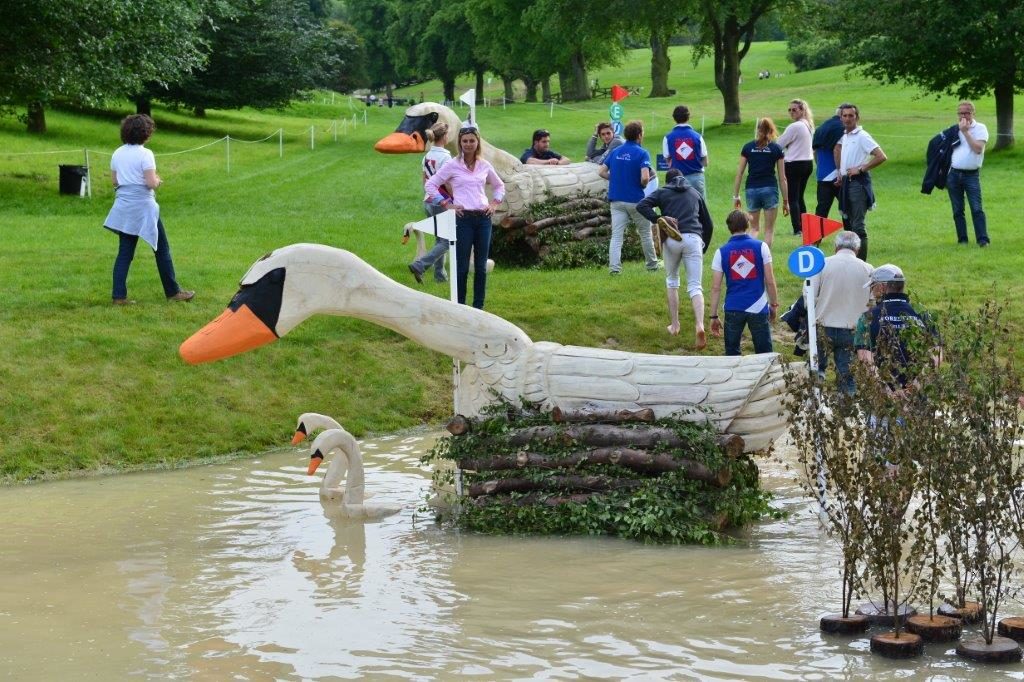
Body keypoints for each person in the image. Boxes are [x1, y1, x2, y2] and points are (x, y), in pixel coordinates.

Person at [102, 114, 194, 305]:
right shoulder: (146, 154)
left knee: (125, 253)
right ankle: (173, 292)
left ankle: (119, 296)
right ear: (145, 133)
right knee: (162, 250)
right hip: (144, 208)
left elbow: (114, 181)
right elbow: (151, 183)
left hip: (124, 207)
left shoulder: (117, 153)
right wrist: (158, 181)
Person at [424, 126, 505, 309]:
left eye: (472, 141)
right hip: (463, 219)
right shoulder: (452, 165)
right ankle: (461, 307)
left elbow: (499, 186)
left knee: (481, 267)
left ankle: (478, 307)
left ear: (477, 143)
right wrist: (446, 203)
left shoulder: (484, 165)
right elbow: (431, 184)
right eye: (465, 141)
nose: (468, 144)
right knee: (461, 267)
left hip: (483, 219)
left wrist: (494, 204)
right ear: (460, 143)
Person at [636, 168, 714, 348]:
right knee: (695, 286)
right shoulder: (694, 193)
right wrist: (704, 247)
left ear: (668, 180)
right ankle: (700, 325)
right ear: (683, 178)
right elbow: (708, 224)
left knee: (672, 281)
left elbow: (641, 205)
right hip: (694, 239)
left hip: (672, 239)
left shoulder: (663, 192)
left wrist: (658, 218)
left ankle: (675, 325)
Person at [855, 264, 941, 392]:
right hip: (918, 395)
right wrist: (915, 387)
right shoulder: (923, 314)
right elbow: (936, 356)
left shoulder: (868, 317)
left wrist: (888, 392)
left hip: (882, 397)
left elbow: (866, 359)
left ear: (882, 287)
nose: (871, 292)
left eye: (873, 287)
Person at [708, 210, 779, 355]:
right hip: (758, 306)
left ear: (729, 227)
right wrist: (773, 304)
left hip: (733, 308)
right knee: (765, 354)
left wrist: (713, 316)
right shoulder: (761, 247)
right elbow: (770, 281)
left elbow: (716, 288)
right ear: (748, 225)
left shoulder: (721, 252)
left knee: (732, 354)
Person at [811, 231, 873, 396]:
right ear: (857, 249)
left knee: (817, 372)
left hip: (823, 327)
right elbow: (872, 303)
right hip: (852, 330)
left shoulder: (821, 265)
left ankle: (814, 405)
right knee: (846, 376)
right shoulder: (868, 269)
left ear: (835, 246)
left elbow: (808, 296)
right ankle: (846, 411)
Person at [598, 120, 659, 274]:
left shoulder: (616, 151)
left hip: (616, 200)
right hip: (635, 201)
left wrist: (617, 178)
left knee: (617, 236)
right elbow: (645, 177)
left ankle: (614, 269)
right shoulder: (642, 153)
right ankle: (652, 265)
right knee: (645, 233)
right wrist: (643, 185)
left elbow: (602, 172)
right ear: (639, 135)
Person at [836, 104, 887, 261]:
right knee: (850, 225)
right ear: (840, 118)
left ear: (857, 117)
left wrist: (861, 168)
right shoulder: (845, 136)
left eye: (851, 115)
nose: (848, 118)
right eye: (845, 115)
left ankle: (861, 264)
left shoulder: (862, 135)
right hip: (847, 182)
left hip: (858, 183)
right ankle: (851, 260)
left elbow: (881, 156)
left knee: (858, 226)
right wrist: (841, 174)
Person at [731, 117, 788, 246]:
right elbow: (782, 177)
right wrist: (786, 201)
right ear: (772, 130)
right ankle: (766, 259)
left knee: (754, 228)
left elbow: (739, 173)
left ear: (758, 130)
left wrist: (736, 196)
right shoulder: (776, 149)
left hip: (752, 189)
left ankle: (751, 255)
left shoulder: (748, 147)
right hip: (770, 189)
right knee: (769, 230)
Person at [408, 122, 452, 284]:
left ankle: (440, 275)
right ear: (444, 136)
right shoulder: (446, 157)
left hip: (429, 200)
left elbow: (424, 179)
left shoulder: (427, 156)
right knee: (447, 242)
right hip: (442, 201)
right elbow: (447, 183)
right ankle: (420, 265)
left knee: (440, 240)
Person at [948, 101, 990, 247]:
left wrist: (965, 132)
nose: (963, 116)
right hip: (953, 174)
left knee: (976, 208)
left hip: (971, 175)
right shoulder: (954, 130)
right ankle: (962, 240)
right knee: (957, 210)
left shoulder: (980, 128)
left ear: (973, 113)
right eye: (960, 113)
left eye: (966, 112)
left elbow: (978, 148)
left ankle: (983, 240)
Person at [777, 99, 814, 236]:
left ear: (802, 110)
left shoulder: (796, 126)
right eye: (790, 110)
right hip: (807, 163)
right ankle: (805, 226)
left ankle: (797, 228)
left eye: (794, 109)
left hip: (794, 164)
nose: (791, 112)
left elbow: (779, 144)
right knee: (799, 197)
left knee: (793, 198)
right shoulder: (808, 125)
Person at [662, 105, 708, 200]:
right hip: (696, 178)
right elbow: (705, 161)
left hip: (676, 180)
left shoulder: (668, 138)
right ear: (688, 117)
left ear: (674, 118)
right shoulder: (698, 137)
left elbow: (667, 159)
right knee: (700, 210)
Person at [811, 105, 847, 229]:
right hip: (836, 174)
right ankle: (850, 234)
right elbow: (837, 149)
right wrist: (839, 171)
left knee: (821, 209)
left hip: (822, 174)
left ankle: (815, 238)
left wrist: (820, 168)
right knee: (846, 206)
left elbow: (815, 152)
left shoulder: (821, 128)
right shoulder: (842, 128)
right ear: (842, 115)